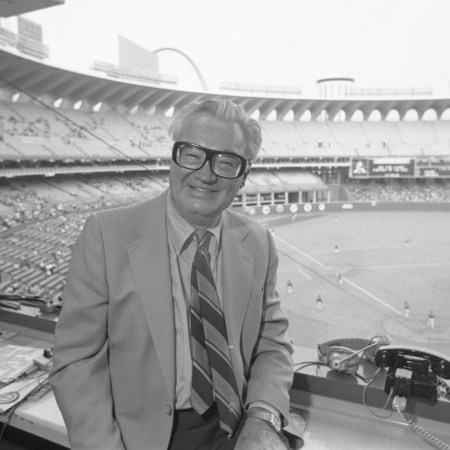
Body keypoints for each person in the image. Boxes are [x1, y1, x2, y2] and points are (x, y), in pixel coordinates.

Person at [49, 99, 300, 450]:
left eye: (227, 161)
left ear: (243, 177)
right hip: (142, 438)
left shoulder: (258, 242)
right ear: (172, 158)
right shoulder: (106, 235)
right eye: (193, 153)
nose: (206, 173)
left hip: (238, 428)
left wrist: (263, 417)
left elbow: (271, 343)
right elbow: (76, 362)